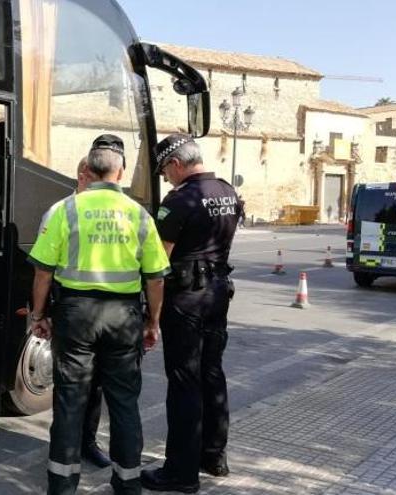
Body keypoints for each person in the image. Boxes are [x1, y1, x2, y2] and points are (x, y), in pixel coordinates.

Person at [29, 134, 170, 495]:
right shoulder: (139, 215)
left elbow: (43, 272)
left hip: (75, 315)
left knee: (70, 402)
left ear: (88, 170)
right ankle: (127, 485)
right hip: (124, 317)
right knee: (124, 403)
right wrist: (153, 322)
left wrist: (38, 315)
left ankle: (61, 487)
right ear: (120, 172)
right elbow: (155, 279)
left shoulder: (64, 210)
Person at [140, 134, 239, 493]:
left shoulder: (180, 200)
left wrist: (151, 314)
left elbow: (158, 261)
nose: (166, 177)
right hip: (218, 293)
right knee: (212, 372)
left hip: (186, 300)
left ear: (177, 164)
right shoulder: (227, 192)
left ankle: (180, 473)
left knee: (184, 382)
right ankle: (214, 455)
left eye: (166, 169)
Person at [38, 157, 112, 469]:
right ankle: (63, 452)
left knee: (94, 385)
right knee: (69, 388)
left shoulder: (111, 212)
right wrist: (43, 313)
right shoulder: (59, 211)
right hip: (69, 310)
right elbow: (46, 268)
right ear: (81, 176)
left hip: (104, 314)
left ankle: (87, 443)